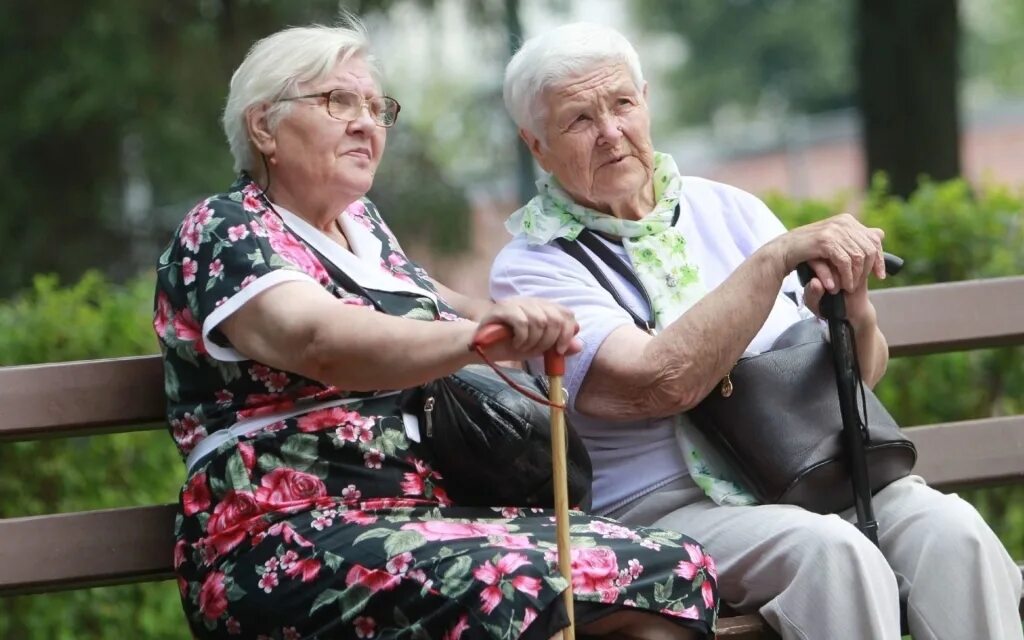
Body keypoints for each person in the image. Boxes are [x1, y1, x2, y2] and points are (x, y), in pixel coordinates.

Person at [154, 20, 720, 640]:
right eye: (338, 101)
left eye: (376, 107)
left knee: (672, 567)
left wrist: (533, 320)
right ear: (264, 126)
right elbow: (321, 341)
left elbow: (443, 305)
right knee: (507, 586)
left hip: (423, 521)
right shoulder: (226, 228)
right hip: (281, 533)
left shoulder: (363, 226)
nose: (366, 123)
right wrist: (474, 342)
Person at [489, 22, 1024, 640]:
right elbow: (657, 382)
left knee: (953, 533)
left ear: (646, 101)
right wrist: (771, 263)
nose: (610, 132)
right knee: (834, 555)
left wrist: (852, 310)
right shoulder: (535, 264)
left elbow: (859, 379)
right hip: (664, 509)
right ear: (536, 145)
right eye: (580, 119)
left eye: (622, 104)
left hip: (810, 473)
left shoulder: (728, 208)